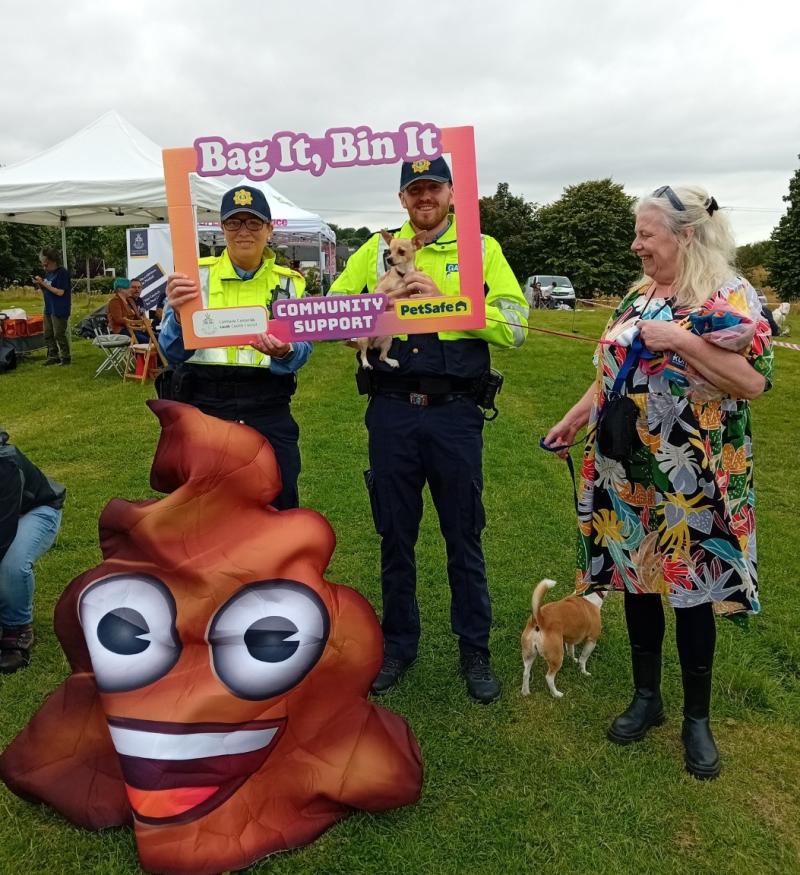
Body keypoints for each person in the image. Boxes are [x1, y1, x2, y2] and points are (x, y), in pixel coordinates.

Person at [544, 185, 773, 778]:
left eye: (647, 234)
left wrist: (681, 340)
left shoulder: (732, 295)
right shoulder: (637, 295)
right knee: (639, 581)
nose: (636, 244)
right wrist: (572, 419)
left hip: (694, 476)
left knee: (692, 591)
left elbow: (751, 384)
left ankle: (697, 718)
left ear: (686, 235)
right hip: (627, 469)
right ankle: (647, 698)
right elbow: (611, 371)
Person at [329, 157, 529, 703]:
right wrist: (371, 311)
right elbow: (332, 314)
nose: (424, 199)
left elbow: (515, 327)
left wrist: (444, 300)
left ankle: (475, 649)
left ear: (450, 193)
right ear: (401, 199)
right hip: (391, 409)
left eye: (433, 189)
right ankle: (398, 646)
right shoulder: (376, 250)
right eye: (413, 190)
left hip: (454, 412)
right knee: (395, 534)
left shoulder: (480, 249)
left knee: (463, 534)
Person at [160, 185, 310, 510]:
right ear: (222, 228)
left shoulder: (290, 282)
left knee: (280, 502)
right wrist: (175, 315)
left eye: (254, 223)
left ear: (270, 230)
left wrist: (286, 352)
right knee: (206, 510)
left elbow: (303, 350)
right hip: (206, 405)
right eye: (234, 223)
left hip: (268, 405)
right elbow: (171, 352)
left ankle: (275, 562)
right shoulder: (193, 275)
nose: (244, 231)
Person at [0, 429, 66, 674]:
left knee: (10, 565)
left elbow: (3, 534)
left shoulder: (5, 463)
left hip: (37, 511)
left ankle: (17, 630)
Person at [33, 248, 71, 366]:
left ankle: (65, 357)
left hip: (60, 307)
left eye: (46, 264)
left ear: (52, 261)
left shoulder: (62, 273)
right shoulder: (49, 273)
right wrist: (40, 284)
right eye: (43, 265)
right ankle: (53, 356)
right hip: (49, 306)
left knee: (58, 333)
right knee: (48, 333)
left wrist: (44, 283)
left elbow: (60, 292)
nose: (44, 267)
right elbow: (46, 290)